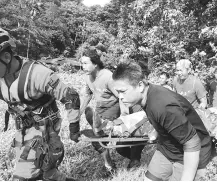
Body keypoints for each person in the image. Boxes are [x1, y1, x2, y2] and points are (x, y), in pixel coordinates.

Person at [0, 28, 80, 180]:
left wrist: (74, 128)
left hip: (44, 130)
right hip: (23, 131)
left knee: (22, 177)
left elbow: (71, 97)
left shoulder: (36, 74)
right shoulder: (2, 77)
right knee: (47, 173)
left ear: (6, 56)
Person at [112, 61, 212, 181]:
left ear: (140, 86)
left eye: (123, 91)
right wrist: (156, 131)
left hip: (190, 153)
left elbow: (192, 143)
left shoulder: (162, 105)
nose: (120, 97)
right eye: (118, 92)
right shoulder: (146, 96)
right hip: (167, 147)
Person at [80, 46, 144, 170]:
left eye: (86, 63)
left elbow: (121, 96)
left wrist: (124, 115)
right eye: (82, 63)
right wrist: (78, 113)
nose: (83, 66)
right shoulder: (87, 77)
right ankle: (110, 163)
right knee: (97, 136)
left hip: (114, 106)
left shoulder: (108, 77)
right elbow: (88, 94)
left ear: (95, 64)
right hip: (100, 107)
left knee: (102, 137)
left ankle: (125, 160)